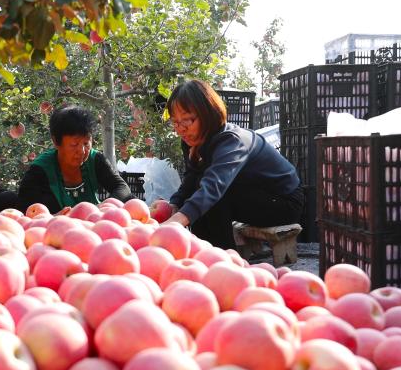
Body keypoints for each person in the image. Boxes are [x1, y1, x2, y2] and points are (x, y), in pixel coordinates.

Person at [159, 79, 304, 249]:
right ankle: (204, 253)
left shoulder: (232, 141)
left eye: (187, 120)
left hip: (283, 201)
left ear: (207, 114)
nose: (180, 128)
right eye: (175, 122)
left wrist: (175, 222)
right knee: (200, 192)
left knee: (212, 196)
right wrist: (173, 206)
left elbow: (214, 187)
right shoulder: (192, 142)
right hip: (248, 195)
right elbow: (191, 177)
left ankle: (220, 257)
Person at [18, 105, 132, 213]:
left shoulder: (95, 160)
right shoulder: (40, 170)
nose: (82, 151)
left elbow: (121, 188)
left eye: (86, 143)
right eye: (74, 144)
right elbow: (26, 208)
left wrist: (103, 208)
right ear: (56, 142)